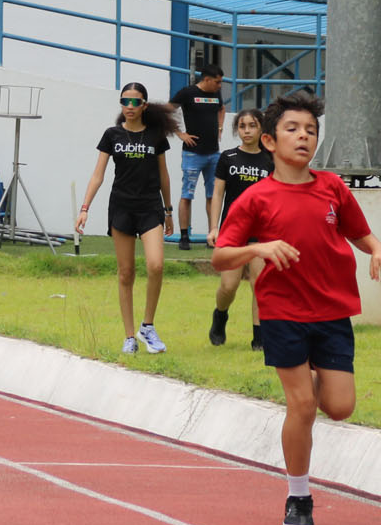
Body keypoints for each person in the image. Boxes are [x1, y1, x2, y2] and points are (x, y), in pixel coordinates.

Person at [212, 91, 381, 525]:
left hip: (332, 310)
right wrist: (258, 248)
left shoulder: (332, 187)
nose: (303, 137)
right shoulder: (255, 198)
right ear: (270, 141)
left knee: (340, 406)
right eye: (293, 129)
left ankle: (310, 386)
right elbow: (221, 256)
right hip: (282, 312)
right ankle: (298, 497)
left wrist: (379, 249)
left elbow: (360, 233)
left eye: (311, 131)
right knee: (301, 406)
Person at [74, 82, 181, 355]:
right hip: (121, 207)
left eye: (135, 102)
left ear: (144, 105)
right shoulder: (112, 134)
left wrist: (168, 210)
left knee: (156, 265)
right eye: (125, 101)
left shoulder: (156, 135)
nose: (129, 107)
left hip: (150, 207)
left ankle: (148, 326)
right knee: (126, 273)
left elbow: (164, 176)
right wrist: (85, 207)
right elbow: (98, 175)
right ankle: (129, 336)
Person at [205, 108, 272, 349]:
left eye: (252, 126)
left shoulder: (270, 160)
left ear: (261, 129)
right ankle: (220, 315)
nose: (247, 131)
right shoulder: (228, 157)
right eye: (242, 126)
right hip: (232, 231)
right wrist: (214, 227)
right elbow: (218, 194)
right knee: (229, 286)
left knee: (259, 284)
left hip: (260, 232)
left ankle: (259, 338)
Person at [170, 63, 226, 249]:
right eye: (217, 82)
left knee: (213, 195)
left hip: (214, 154)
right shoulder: (187, 93)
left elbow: (221, 109)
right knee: (187, 195)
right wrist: (180, 134)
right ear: (207, 79)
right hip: (192, 154)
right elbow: (167, 111)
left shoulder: (216, 93)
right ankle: (184, 236)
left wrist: (220, 127)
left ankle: (213, 234)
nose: (220, 86)